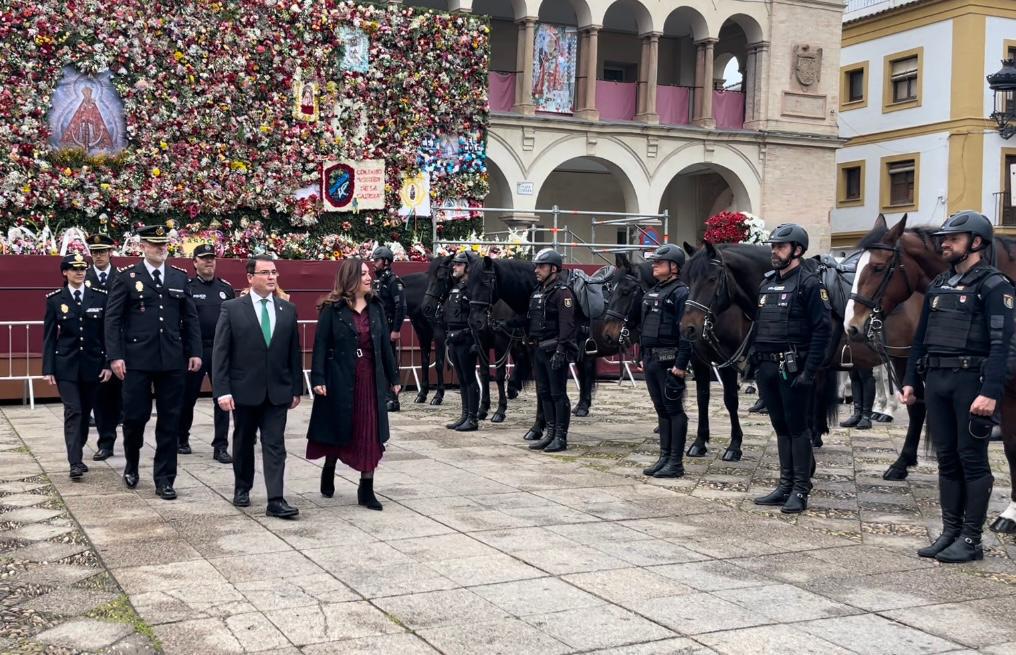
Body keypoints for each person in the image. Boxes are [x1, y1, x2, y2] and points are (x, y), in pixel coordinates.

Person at [900, 211, 1013, 563]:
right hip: (937, 380)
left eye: (953, 238)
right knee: (945, 459)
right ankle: (950, 531)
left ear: (976, 242)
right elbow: (921, 338)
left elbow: (1002, 343)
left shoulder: (996, 286)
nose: (944, 243)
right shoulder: (939, 284)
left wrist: (991, 392)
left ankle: (971, 538)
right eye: (943, 238)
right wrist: (910, 380)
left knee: (972, 461)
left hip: (971, 382)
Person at [105, 224, 202, 499]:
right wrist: (115, 356)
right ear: (143, 247)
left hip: (171, 359)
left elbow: (190, 318)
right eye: (155, 244)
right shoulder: (127, 277)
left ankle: (165, 478)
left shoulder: (178, 277)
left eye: (164, 244)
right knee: (135, 417)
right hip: (137, 359)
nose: (161, 249)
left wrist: (194, 351)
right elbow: (112, 319)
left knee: (170, 420)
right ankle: (132, 463)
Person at [750, 224, 832, 514]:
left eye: (781, 247)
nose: (774, 251)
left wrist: (810, 371)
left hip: (793, 368)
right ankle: (784, 485)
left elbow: (823, 330)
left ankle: (800, 488)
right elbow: (759, 325)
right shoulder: (767, 283)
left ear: (797, 250)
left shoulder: (810, 284)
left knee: (798, 430)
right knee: (780, 428)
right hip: (767, 367)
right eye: (773, 246)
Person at [213, 255, 303, 518]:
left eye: (274, 272)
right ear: (250, 278)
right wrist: (222, 390)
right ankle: (243, 486)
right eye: (265, 273)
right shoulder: (232, 308)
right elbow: (221, 352)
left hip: (277, 391)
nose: (272, 277)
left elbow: (293, 352)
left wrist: (296, 387)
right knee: (243, 441)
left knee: (275, 444)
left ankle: (276, 498)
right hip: (244, 390)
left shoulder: (287, 309)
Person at [307, 258, 400, 511]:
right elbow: (321, 346)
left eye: (369, 273)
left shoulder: (376, 307)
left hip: (370, 378)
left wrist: (394, 378)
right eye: (363, 274)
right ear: (350, 279)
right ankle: (330, 465)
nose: (369, 278)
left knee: (370, 431)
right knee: (341, 427)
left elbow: (384, 346)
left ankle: (366, 487)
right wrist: (318, 379)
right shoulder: (332, 309)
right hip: (340, 377)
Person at [43, 254, 111, 479]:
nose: (79, 273)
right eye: (74, 269)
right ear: (65, 272)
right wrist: (48, 368)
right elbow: (50, 337)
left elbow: (106, 334)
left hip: (92, 365)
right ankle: (75, 461)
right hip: (67, 366)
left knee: (85, 413)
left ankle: (78, 452)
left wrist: (108, 363)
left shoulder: (99, 297)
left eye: (82, 269)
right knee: (74, 411)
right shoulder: (56, 300)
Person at [639, 244, 693, 478]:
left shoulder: (681, 292)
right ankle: (664, 457)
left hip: (670, 361)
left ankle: (676, 462)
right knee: (661, 410)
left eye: (660, 262)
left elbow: (687, 333)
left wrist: (680, 365)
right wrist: (642, 355)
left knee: (673, 409)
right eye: (655, 262)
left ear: (674, 267)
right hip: (652, 360)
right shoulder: (654, 291)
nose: (655, 265)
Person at [179, 244, 235, 462]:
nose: (209, 262)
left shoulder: (225, 288)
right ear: (195, 262)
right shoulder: (188, 287)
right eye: (204, 258)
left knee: (222, 398)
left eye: (212, 258)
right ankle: (181, 438)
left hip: (220, 349)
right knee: (188, 398)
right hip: (195, 350)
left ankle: (220, 446)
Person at [527, 248, 577, 453]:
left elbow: (567, 325)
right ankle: (549, 433)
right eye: (536, 266)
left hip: (555, 350)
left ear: (554, 269)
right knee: (544, 392)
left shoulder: (562, 292)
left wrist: (561, 350)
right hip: (538, 350)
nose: (537, 270)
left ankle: (560, 437)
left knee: (558, 394)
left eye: (542, 266)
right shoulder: (538, 291)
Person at [85, 233, 121, 460]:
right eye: (95, 252)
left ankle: (129, 439)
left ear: (110, 252)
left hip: (119, 342)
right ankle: (106, 442)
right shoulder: (83, 276)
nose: (98, 256)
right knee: (101, 397)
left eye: (102, 251)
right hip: (95, 344)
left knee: (122, 398)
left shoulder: (122, 277)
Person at [443, 251, 479, 432]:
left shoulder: (471, 289)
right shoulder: (455, 287)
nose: (454, 267)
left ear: (467, 267)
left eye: (458, 264)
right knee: (462, 379)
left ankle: (472, 418)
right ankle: (465, 415)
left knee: (469, 378)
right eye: (454, 264)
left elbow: (475, 317)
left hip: (466, 338)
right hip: (454, 337)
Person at [371, 245, 406, 412]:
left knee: (390, 362)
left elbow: (401, 306)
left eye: (376, 260)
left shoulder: (393, 281)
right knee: (380, 362)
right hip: (379, 327)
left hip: (389, 326)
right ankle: (384, 396)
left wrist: (396, 330)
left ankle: (393, 399)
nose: (373, 263)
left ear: (385, 262)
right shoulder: (379, 280)